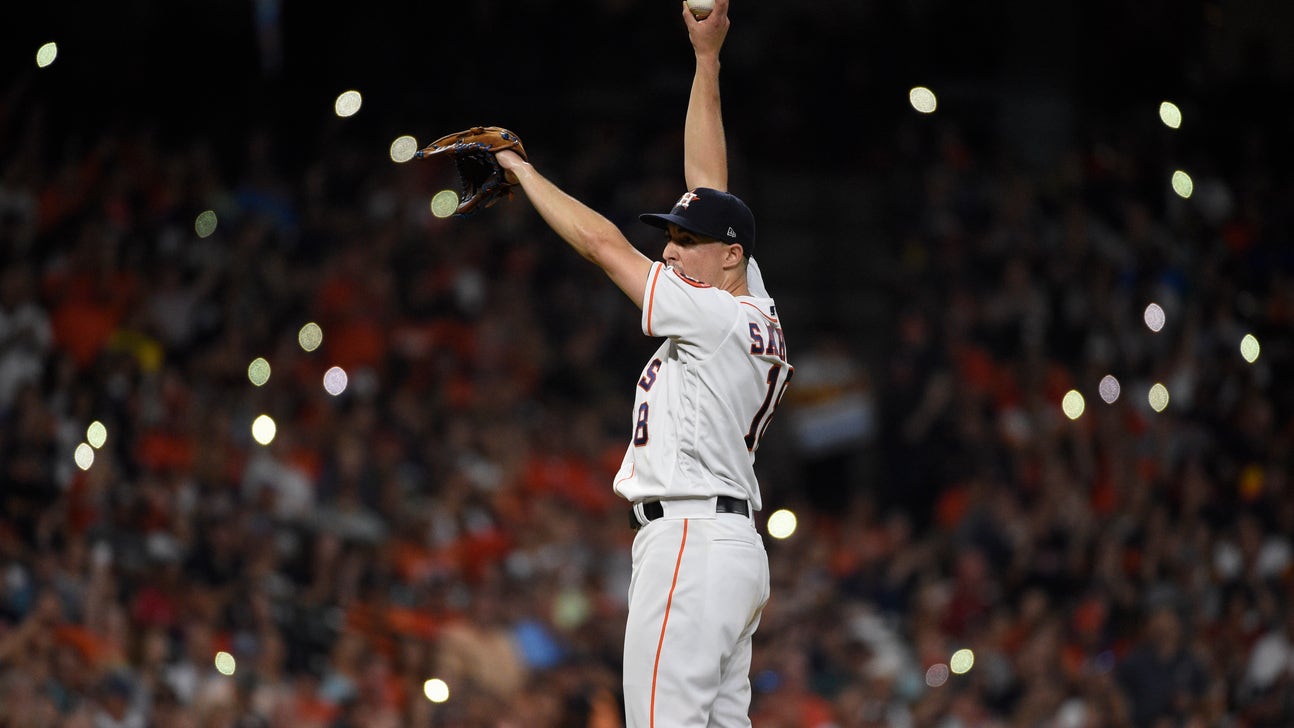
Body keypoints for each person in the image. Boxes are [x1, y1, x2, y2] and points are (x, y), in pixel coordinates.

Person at [496, 1, 791, 724]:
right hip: (731, 549)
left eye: (685, 241)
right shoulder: (751, 303)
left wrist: (521, 171)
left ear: (730, 256)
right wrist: (707, 60)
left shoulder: (714, 315)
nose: (669, 249)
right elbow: (708, 183)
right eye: (671, 236)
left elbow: (603, 246)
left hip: (689, 541)